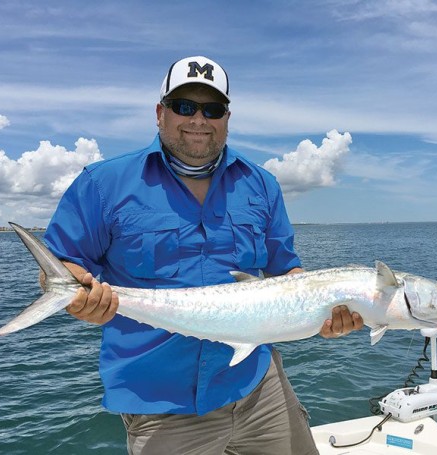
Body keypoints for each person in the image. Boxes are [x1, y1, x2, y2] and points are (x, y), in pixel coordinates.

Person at [44, 55, 363, 455]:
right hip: (161, 405)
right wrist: (80, 295)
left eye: (212, 109)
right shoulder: (103, 184)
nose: (198, 119)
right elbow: (62, 264)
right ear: (159, 113)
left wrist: (323, 312)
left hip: (256, 387)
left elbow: (288, 271)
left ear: (227, 118)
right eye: (184, 107)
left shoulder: (261, 185)